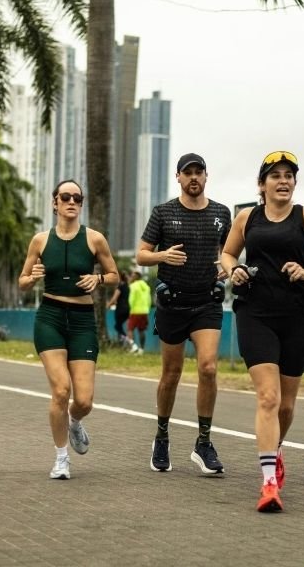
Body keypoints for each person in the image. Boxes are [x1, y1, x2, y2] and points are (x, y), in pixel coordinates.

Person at [220, 151, 304, 512]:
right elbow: (227, 254)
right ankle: (269, 482)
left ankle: (274, 451)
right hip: (255, 313)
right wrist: (233, 270)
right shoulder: (247, 218)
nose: (284, 181)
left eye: (289, 175)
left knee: (287, 405)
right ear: (262, 185)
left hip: (297, 315)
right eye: (275, 175)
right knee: (268, 398)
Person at [136, 152, 232, 475]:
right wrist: (164, 255)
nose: (194, 178)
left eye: (199, 172)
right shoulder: (163, 212)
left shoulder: (221, 213)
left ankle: (203, 443)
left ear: (206, 177)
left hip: (207, 302)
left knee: (208, 367)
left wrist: (226, 267)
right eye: (187, 172)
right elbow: (141, 255)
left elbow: (230, 250)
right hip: (172, 303)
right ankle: (161, 436)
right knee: (172, 374)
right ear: (178, 177)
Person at [19, 179, 119, 480]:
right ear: (55, 203)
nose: (71, 202)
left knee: (84, 400)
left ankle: (74, 421)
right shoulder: (39, 241)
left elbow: (114, 274)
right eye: (65, 197)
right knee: (61, 390)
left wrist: (99, 280)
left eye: (77, 197)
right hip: (50, 317)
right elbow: (22, 282)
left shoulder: (95, 239)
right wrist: (32, 277)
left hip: (82, 320)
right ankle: (61, 458)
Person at [126, 270, 151, 354]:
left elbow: (131, 299)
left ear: (136, 277)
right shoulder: (146, 287)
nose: (131, 277)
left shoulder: (133, 286)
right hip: (144, 311)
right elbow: (149, 299)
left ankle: (134, 347)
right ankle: (142, 349)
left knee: (129, 329)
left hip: (135, 311)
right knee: (141, 330)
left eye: (132, 276)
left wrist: (130, 307)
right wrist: (147, 308)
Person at [106, 271, 130, 347]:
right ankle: (122, 344)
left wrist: (108, 305)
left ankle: (128, 341)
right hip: (127, 309)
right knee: (119, 326)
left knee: (117, 326)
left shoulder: (120, 286)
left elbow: (114, 298)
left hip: (120, 309)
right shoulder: (127, 286)